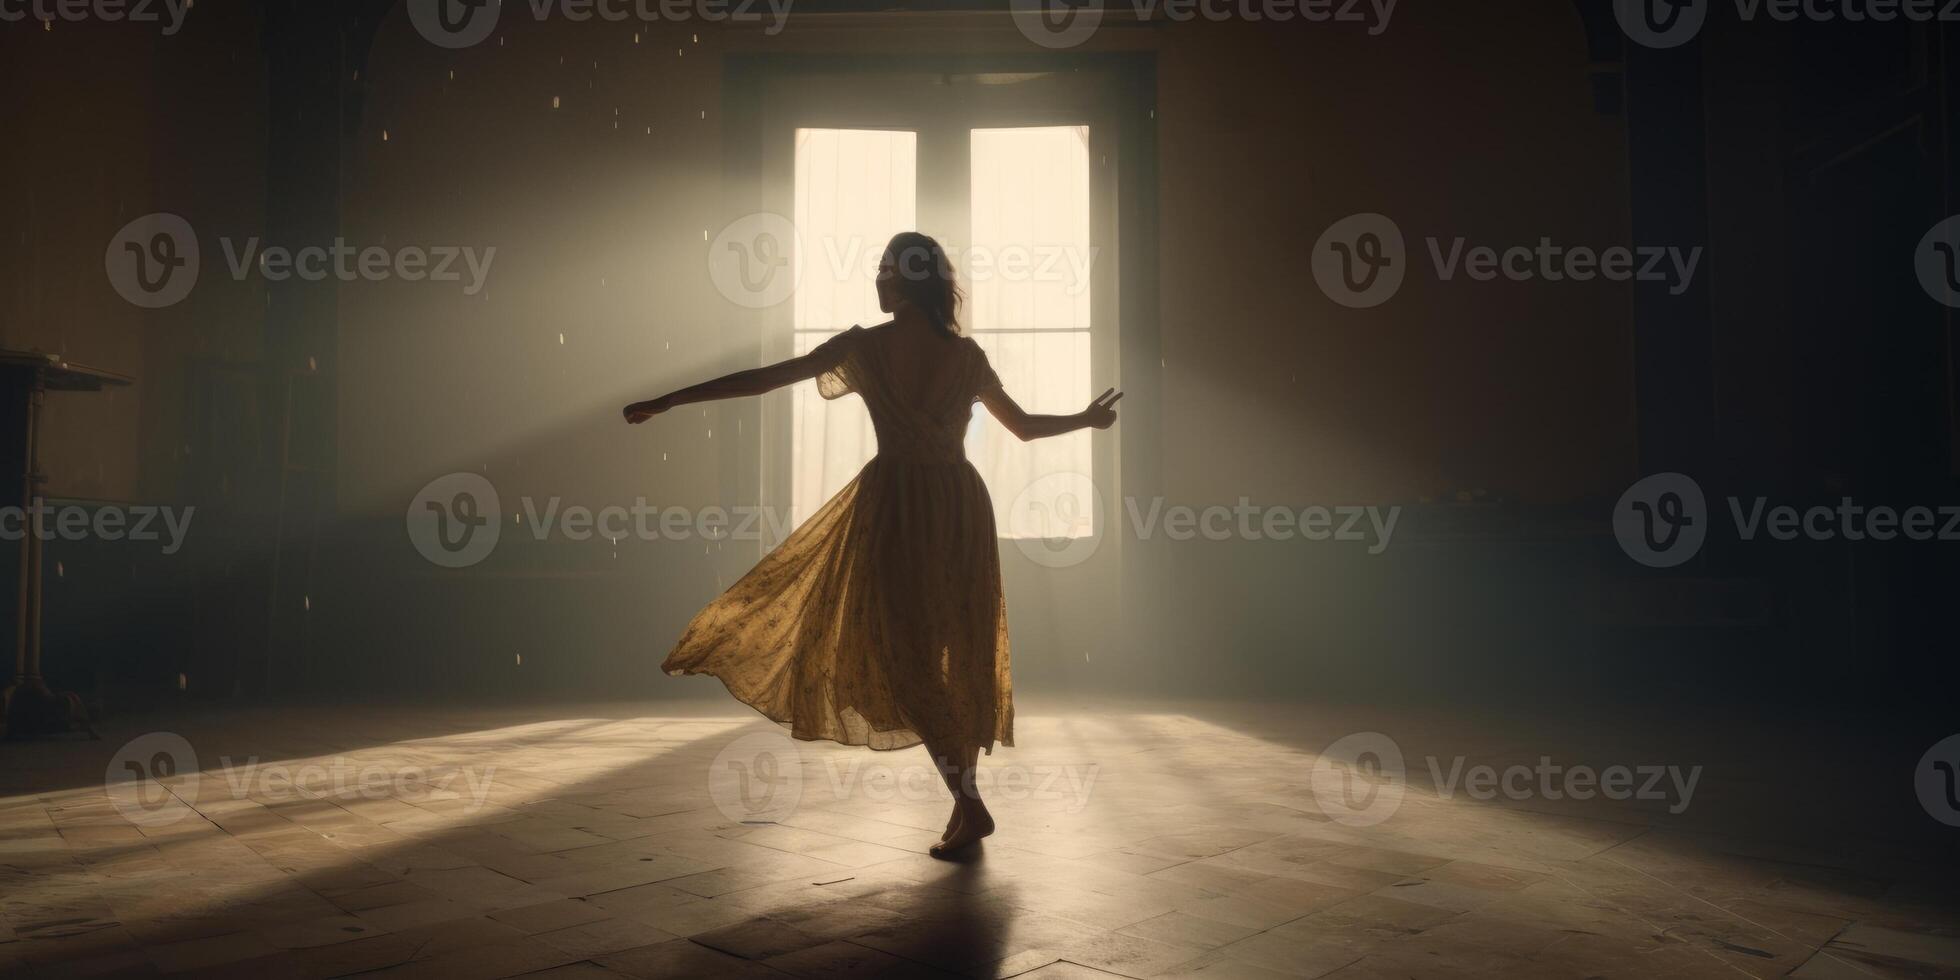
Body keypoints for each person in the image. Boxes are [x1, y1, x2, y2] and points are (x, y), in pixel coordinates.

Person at [624, 231, 1121, 856]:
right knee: (950, 652)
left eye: (883, 270)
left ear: (905, 281)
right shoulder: (963, 356)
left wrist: (671, 399)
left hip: (899, 505)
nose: (876, 281)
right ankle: (965, 811)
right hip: (959, 504)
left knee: (909, 658)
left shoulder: (867, 347)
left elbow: (765, 379)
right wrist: (1084, 418)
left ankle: (970, 805)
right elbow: (1021, 428)